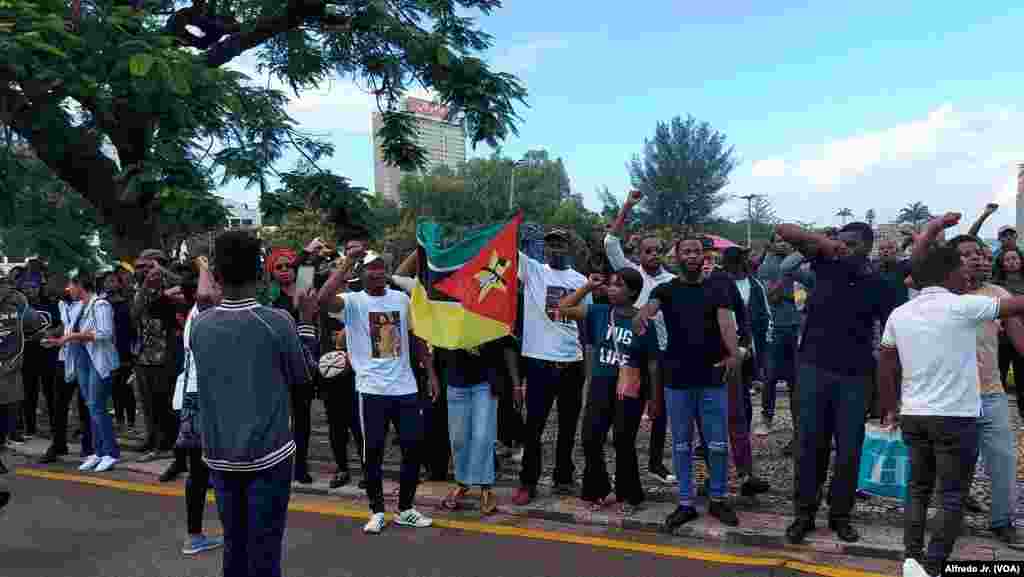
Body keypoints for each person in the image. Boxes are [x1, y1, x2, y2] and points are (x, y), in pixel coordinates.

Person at [878, 225, 1024, 576]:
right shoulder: (961, 306)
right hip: (955, 418)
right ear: (948, 274)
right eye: (961, 269)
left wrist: (890, 409)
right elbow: (1018, 304)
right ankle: (933, 565)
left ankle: (911, 557)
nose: (967, 274)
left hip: (914, 415)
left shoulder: (900, 313)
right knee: (953, 495)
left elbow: (885, 365)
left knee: (917, 489)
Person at [190, 231, 319, 577]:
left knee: (234, 547)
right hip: (268, 455)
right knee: (264, 553)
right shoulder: (277, 321)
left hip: (219, 456)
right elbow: (305, 375)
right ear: (261, 274)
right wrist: (307, 320)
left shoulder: (199, 325)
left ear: (217, 274)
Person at [775, 221, 899, 544]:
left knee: (849, 451)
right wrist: (826, 243)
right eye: (839, 242)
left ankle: (840, 515)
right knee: (809, 446)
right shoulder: (825, 265)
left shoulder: (880, 282)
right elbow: (785, 230)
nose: (842, 247)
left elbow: (892, 334)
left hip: (856, 376)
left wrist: (890, 392)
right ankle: (804, 514)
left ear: (867, 247)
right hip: (814, 370)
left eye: (851, 243)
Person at [319, 251, 436, 534]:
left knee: (413, 449)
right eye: (371, 268)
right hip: (371, 390)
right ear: (362, 273)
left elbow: (417, 338)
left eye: (381, 268)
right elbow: (323, 299)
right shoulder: (353, 302)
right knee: (372, 453)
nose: (377, 273)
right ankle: (377, 510)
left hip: (405, 388)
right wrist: (347, 262)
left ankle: (406, 509)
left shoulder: (401, 300)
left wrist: (430, 373)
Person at [633, 235, 741, 530]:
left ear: (703, 256)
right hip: (677, 380)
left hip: (711, 377)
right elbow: (648, 310)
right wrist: (641, 316)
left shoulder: (717, 288)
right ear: (677, 256)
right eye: (686, 251)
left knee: (717, 444)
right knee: (681, 445)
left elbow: (726, 323)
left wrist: (734, 354)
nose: (692, 256)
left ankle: (718, 499)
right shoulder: (664, 289)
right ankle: (685, 503)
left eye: (696, 251)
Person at [939, 232, 1023, 547]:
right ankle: (951, 518)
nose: (975, 257)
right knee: (953, 463)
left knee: (1002, 459)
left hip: (990, 393)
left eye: (978, 252)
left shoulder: (998, 294)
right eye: (966, 253)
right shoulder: (940, 297)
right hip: (950, 396)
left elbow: (1018, 339)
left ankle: (1002, 521)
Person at [560, 269, 660, 514]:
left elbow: (653, 364)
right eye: (611, 284)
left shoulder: (642, 321)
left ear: (633, 292)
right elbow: (563, 308)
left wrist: (655, 399)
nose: (611, 288)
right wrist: (587, 287)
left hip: (630, 386)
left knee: (623, 441)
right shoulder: (599, 312)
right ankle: (599, 489)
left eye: (618, 285)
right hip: (601, 384)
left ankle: (630, 496)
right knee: (590, 438)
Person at [512, 228, 590, 505]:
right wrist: (515, 228)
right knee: (534, 427)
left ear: (569, 248)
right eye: (550, 244)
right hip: (539, 362)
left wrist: (585, 363)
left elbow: (584, 324)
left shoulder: (581, 281)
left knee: (569, 426)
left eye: (560, 243)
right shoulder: (533, 271)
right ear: (543, 249)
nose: (555, 248)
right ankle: (528, 481)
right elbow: (507, 249)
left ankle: (564, 477)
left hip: (572, 363)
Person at [604, 190, 676, 484]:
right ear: (639, 254)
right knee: (627, 413)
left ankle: (656, 462)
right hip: (631, 357)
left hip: (662, 354)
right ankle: (625, 463)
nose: (653, 254)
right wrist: (628, 206)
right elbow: (610, 241)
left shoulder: (672, 281)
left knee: (660, 410)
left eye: (658, 249)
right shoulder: (629, 273)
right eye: (647, 250)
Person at [172, 258, 224, 556]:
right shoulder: (205, 310)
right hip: (202, 399)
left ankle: (196, 536)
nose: (219, 289)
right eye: (216, 284)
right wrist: (204, 264)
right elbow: (206, 295)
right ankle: (201, 535)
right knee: (210, 470)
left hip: (194, 397)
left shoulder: (200, 313)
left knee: (201, 473)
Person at [48, 272, 120, 473]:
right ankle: (98, 452)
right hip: (82, 362)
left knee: (97, 407)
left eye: (70, 285)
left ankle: (110, 452)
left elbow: (105, 333)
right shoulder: (79, 307)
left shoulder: (101, 305)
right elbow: (69, 333)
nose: (67, 289)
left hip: (98, 362)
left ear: (80, 285)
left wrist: (72, 337)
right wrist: (59, 340)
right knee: (91, 408)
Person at [718, 246, 772, 496]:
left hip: (743, 359)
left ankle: (745, 473)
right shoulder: (714, 284)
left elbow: (759, 321)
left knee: (740, 415)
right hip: (717, 360)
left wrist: (752, 350)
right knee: (714, 419)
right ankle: (710, 477)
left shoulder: (754, 286)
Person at [0, 274, 49, 509]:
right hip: (8, 377)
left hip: (9, 377)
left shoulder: (17, 303)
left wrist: (22, 307)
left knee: (6, 426)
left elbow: (35, 325)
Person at [132, 249, 181, 462]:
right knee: (148, 401)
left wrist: (163, 272)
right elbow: (137, 311)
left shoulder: (172, 285)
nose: (142, 271)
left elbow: (187, 286)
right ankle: (152, 439)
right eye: (140, 267)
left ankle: (165, 444)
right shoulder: (141, 289)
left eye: (147, 266)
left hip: (166, 353)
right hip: (144, 353)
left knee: (164, 401)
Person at [755, 234, 800, 435]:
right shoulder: (766, 266)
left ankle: (799, 422)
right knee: (770, 376)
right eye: (779, 241)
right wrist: (785, 277)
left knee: (797, 378)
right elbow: (771, 297)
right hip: (775, 327)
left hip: (797, 325)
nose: (784, 244)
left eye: (786, 240)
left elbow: (805, 295)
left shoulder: (798, 263)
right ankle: (766, 419)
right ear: (771, 244)